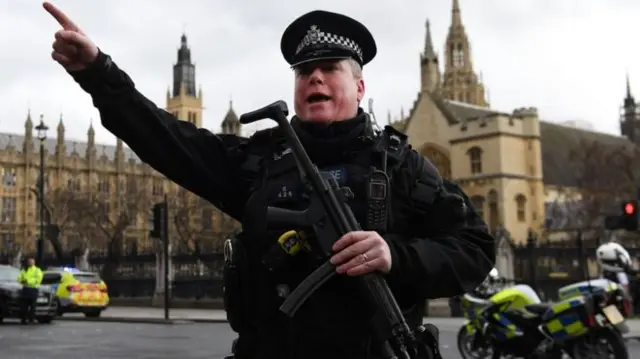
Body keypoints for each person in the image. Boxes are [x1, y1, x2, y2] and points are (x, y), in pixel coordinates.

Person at [43, 3, 496, 358]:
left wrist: (396, 256)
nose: (314, 76)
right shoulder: (259, 161)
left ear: (359, 86)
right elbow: (165, 139)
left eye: (331, 66)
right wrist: (98, 73)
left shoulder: (401, 167)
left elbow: (475, 248)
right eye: (304, 71)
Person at [17, 257, 44, 324]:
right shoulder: (24, 270)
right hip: (25, 289)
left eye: (32, 261)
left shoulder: (37, 270)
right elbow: (19, 278)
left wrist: (28, 281)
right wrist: (22, 281)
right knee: (24, 306)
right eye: (29, 261)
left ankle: (31, 319)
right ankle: (24, 319)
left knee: (33, 306)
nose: (30, 262)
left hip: (33, 289)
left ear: (34, 262)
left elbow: (38, 279)